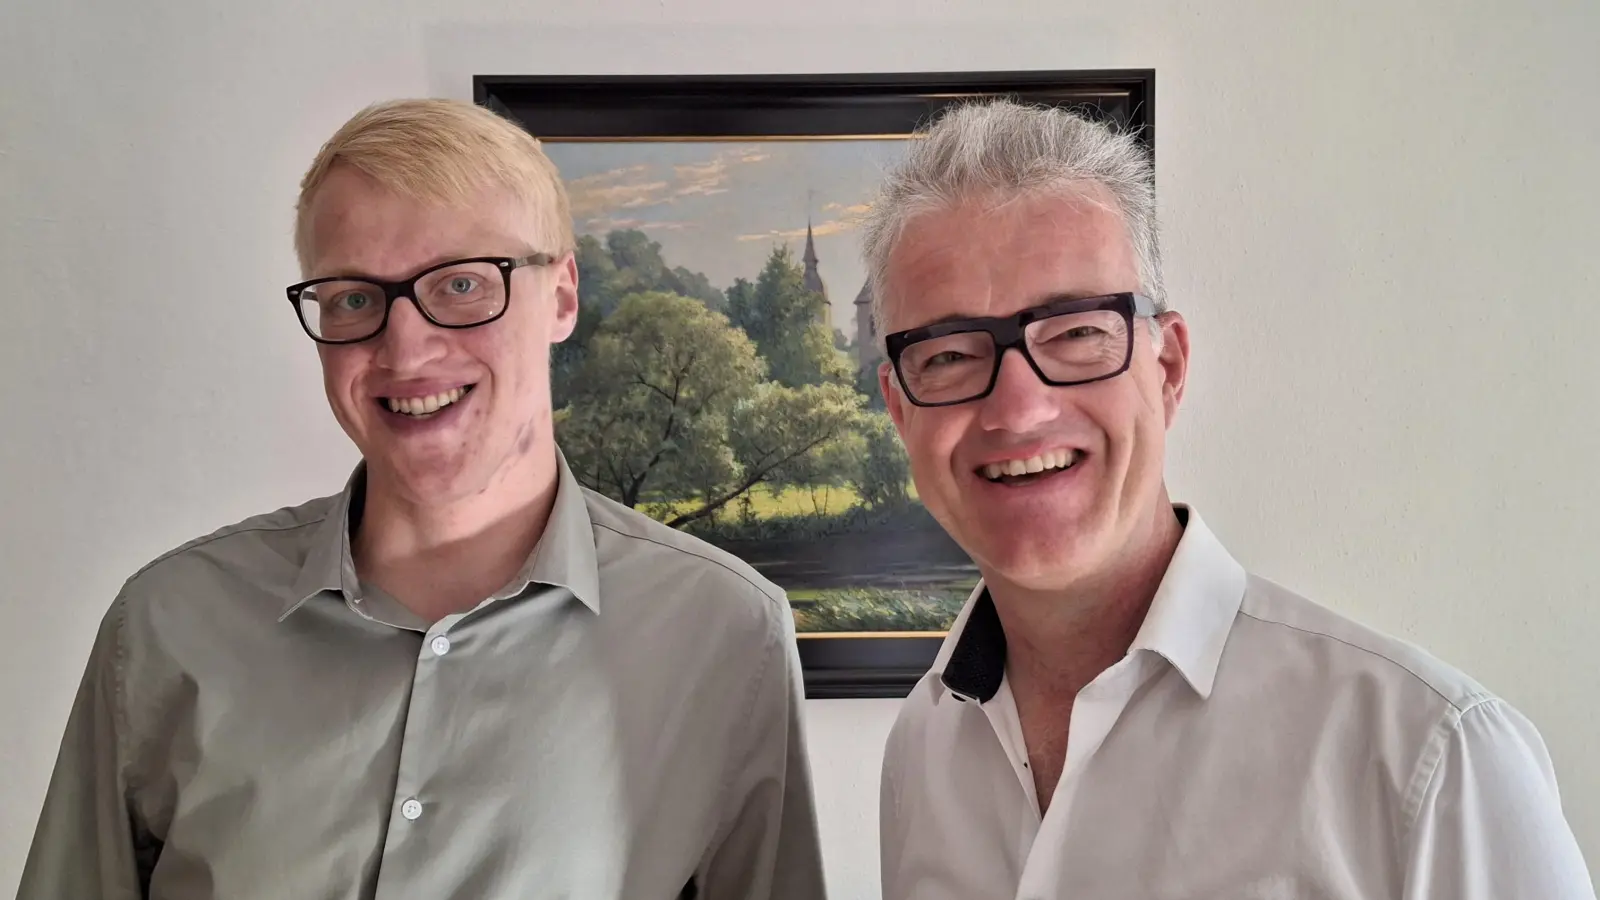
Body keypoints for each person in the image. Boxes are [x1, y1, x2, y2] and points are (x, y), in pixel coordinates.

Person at [20, 98, 827, 899]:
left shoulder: (724, 634)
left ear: (563, 296)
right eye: (353, 299)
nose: (404, 349)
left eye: (465, 284)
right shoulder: (168, 625)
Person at [866, 99, 1594, 899]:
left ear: (1168, 367)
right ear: (900, 408)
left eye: (1077, 334)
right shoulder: (923, 750)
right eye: (947, 356)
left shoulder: (1433, 760)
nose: (1018, 409)